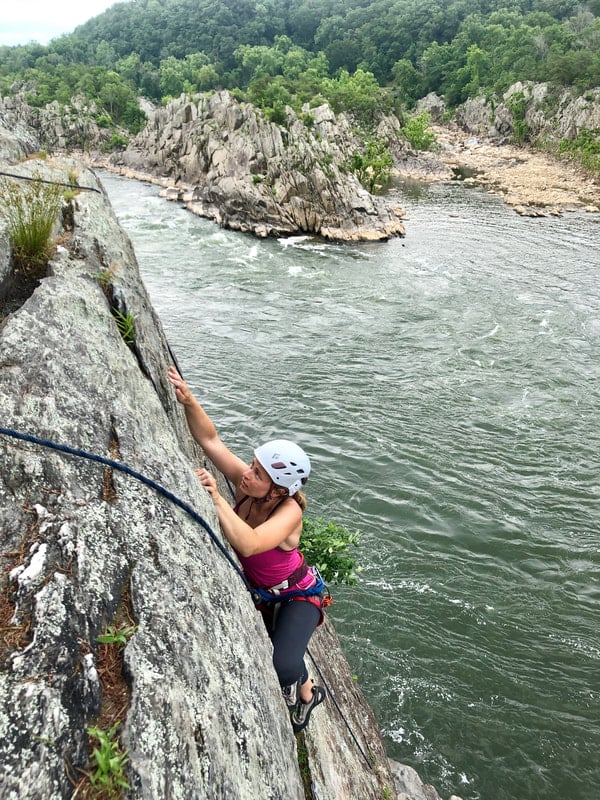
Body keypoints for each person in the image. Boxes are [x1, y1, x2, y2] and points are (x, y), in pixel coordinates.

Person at [168, 365, 326, 733]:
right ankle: (302, 684)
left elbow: (251, 544)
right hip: (263, 594)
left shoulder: (289, 513)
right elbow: (212, 442)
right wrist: (189, 400)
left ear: (277, 490)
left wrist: (215, 497)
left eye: (257, 473)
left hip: (296, 596)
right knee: (278, 649)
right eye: (253, 466)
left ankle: (308, 692)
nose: (247, 474)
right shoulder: (250, 487)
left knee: (284, 666)